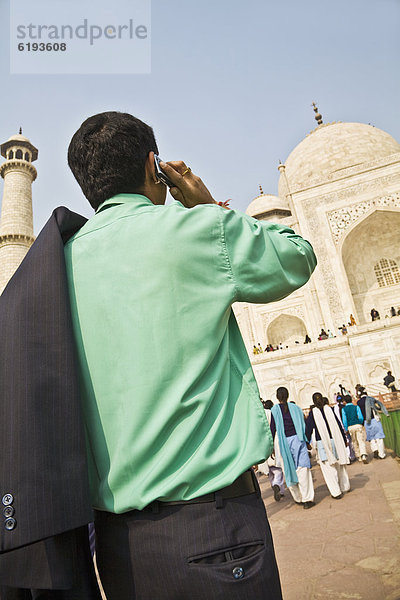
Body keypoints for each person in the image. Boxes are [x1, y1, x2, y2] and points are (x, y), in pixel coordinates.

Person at [0, 112, 317, 598]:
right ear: (156, 167)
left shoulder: (51, 271)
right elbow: (296, 256)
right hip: (215, 533)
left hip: (118, 550)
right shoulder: (196, 231)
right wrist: (207, 205)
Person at [270, 387, 315, 509]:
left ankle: (298, 498)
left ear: (277, 397)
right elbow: (303, 426)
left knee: (288, 470)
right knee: (303, 469)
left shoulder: (274, 410)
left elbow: (272, 429)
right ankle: (307, 499)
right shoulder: (296, 408)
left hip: (283, 442)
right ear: (288, 395)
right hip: (298, 440)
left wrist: (272, 448)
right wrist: (307, 441)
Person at [306, 393, 350, 499]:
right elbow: (339, 425)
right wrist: (344, 439)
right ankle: (345, 486)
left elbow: (308, 428)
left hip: (323, 443)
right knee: (339, 465)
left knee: (328, 468)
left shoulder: (313, 413)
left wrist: (307, 442)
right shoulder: (329, 410)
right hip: (336, 441)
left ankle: (336, 492)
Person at [258, 400, 285, 502]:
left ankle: (276, 487)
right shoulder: (269, 413)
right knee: (278, 470)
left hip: (261, 445)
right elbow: (274, 428)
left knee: (270, 472)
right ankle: (277, 485)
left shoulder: (255, 415)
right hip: (272, 442)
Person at [356, 385, 389, 459]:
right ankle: (381, 454)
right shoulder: (370, 399)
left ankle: (375, 449)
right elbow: (378, 406)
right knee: (379, 438)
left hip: (366, 422)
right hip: (375, 420)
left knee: (371, 438)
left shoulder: (359, 402)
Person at [341, 395, 368, 463]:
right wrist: (360, 423)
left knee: (354, 441)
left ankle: (358, 456)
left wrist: (346, 429)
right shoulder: (356, 407)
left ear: (345, 401)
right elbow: (361, 417)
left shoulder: (343, 409)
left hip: (350, 427)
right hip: (357, 425)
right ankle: (363, 455)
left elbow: (344, 420)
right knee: (361, 440)